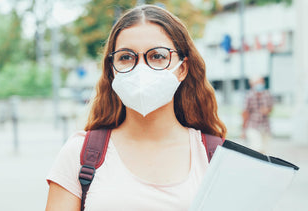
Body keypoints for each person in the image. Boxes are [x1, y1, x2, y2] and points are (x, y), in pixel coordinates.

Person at [46, 4, 226, 211]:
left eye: (157, 56)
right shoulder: (79, 154)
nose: (141, 68)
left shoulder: (216, 157)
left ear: (182, 68)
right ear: (112, 70)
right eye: (126, 57)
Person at [242, 76, 274, 153]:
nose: (260, 84)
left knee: (265, 151)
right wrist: (243, 129)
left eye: (261, 82)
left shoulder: (267, 94)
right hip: (253, 126)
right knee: (257, 148)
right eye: (258, 82)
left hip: (265, 126)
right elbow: (245, 113)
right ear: (253, 84)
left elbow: (271, 108)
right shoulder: (249, 96)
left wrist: (267, 110)